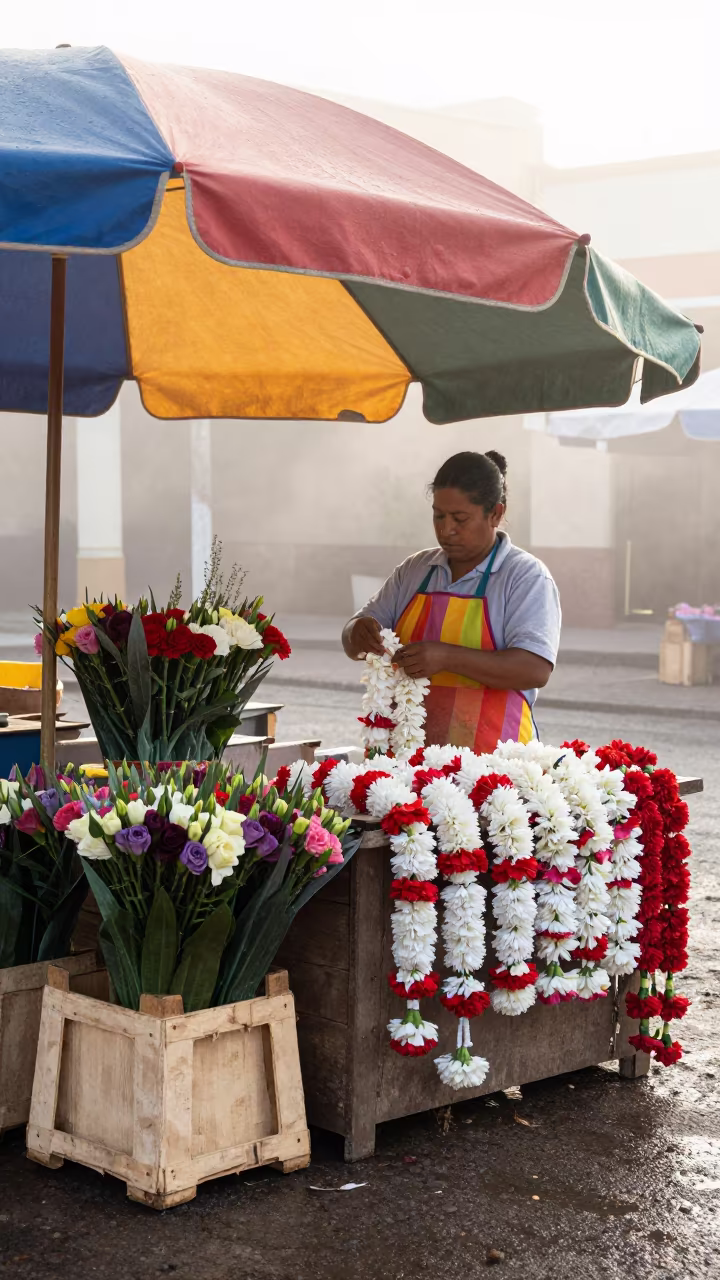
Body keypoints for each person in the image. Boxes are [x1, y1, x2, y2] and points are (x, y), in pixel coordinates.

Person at [342, 450, 561, 753]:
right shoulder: (415, 570)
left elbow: (534, 669)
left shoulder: (525, 576)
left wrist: (447, 658)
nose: (447, 530)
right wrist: (357, 631)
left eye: (460, 518)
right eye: (439, 516)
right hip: (406, 762)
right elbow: (352, 638)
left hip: (494, 770)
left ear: (496, 513)